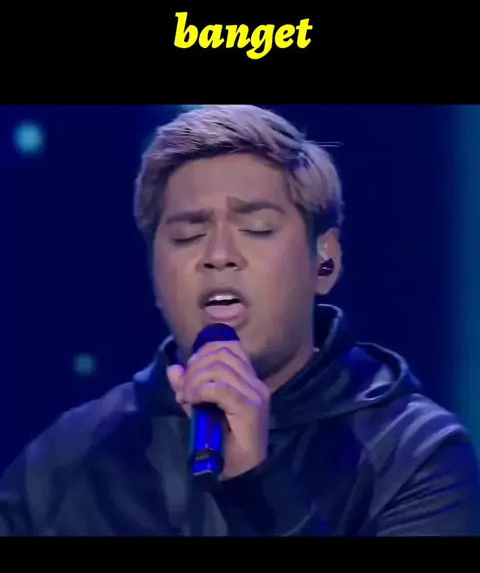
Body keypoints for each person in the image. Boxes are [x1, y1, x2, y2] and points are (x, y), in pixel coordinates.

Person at [1, 104, 479, 536]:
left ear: (324, 261)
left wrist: (260, 486)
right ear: (153, 272)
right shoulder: (64, 462)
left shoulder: (414, 455)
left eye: (256, 229)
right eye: (188, 235)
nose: (219, 254)